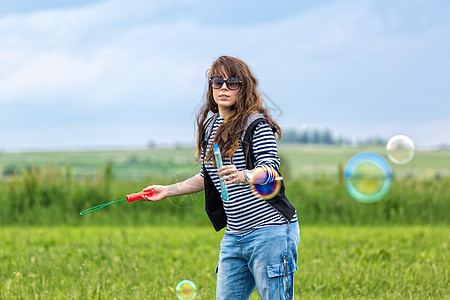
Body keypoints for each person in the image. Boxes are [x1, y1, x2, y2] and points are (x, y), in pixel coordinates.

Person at [141, 55, 300, 300]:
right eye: (217, 82)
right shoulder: (210, 125)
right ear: (211, 87)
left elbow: (271, 170)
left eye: (232, 82)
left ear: (243, 87)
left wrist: (244, 175)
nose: (224, 87)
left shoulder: (256, 124)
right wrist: (168, 190)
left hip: (270, 232)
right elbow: (209, 177)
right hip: (234, 235)